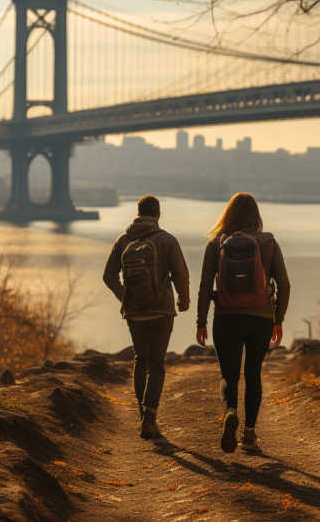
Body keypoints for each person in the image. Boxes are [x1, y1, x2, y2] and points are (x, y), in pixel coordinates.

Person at [196, 192, 290, 453]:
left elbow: (205, 285)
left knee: (229, 374)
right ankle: (249, 434)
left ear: (228, 214)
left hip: (226, 317)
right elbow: (284, 284)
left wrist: (201, 321)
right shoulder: (268, 242)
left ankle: (230, 412)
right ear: (255, 215)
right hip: (261, 318)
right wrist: (278, 319)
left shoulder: (217, 243)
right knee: (253, 373)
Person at [103, 195, 190, 440]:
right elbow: (181, 274)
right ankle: (149, 419)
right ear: (158, 214)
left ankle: (143, 414)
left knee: (140, 360)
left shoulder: (123, 240)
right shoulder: (167, 240)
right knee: (156, 365)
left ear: (138, 213)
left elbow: (108, 276)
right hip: (162, 310)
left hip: (134, 312)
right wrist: (184, 300)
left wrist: (126, 298)